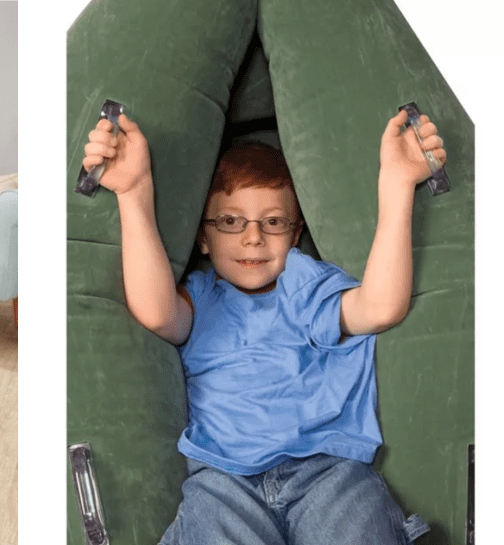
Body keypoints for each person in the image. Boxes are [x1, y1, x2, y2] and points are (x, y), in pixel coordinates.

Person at [82, 109, 445, 544]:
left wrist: (399, 184)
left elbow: (381, 306)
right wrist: (133, 190)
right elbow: (157, 313)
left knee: (356, 524)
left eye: (272, 222)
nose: (253, 238)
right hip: (222, 478)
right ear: (203, 237)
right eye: (231, 222)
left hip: (327, 470)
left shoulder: (306, 283)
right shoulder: (199, 297)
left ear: (295, 235)